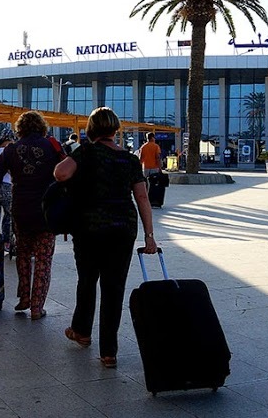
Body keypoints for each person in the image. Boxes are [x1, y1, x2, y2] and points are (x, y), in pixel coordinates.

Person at [55, 107, 157, 369]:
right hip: (123, 229)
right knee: (114, 288)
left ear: (91, 130)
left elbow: (61, 173)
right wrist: (149, 236)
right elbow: (142, 197)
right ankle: (109, 352)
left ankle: (82, 331)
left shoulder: (86, 152)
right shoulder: (130, 160)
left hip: (89, 228)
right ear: (115, 129)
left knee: (87, 280)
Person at [0, 111, 60, 320]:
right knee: (43, 259)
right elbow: (68, 170)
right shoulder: (52, 146)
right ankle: (37, 307)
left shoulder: (11, 150)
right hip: (46, 211)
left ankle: (24, 298)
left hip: (21, 210)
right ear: (42, 127)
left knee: (23, 254)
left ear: (20, 129)